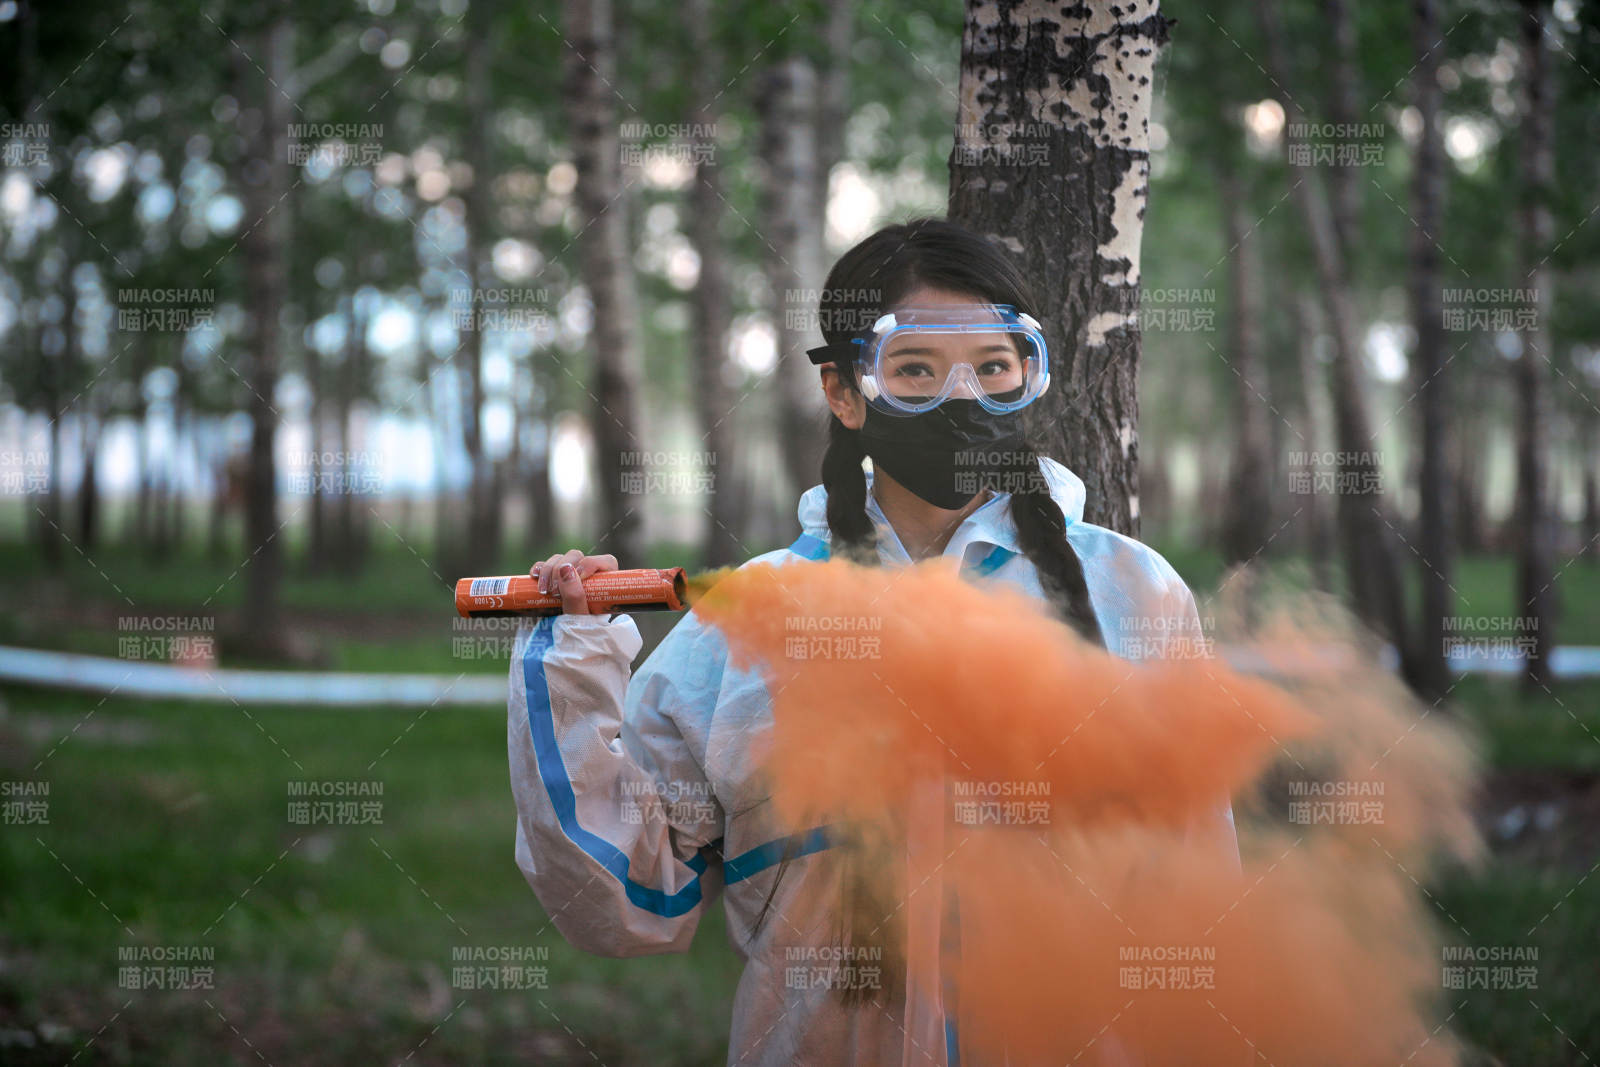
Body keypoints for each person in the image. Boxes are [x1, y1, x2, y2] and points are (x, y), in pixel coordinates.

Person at [508, 217, 1239, 1065]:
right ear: (845, 391)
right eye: (916, 370)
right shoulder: (743, 626)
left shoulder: (1135, 595)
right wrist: (568, 666)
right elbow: (632, 902)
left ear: (1031, 378)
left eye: (994, 369)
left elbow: (1200, 891)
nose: (961, 399)